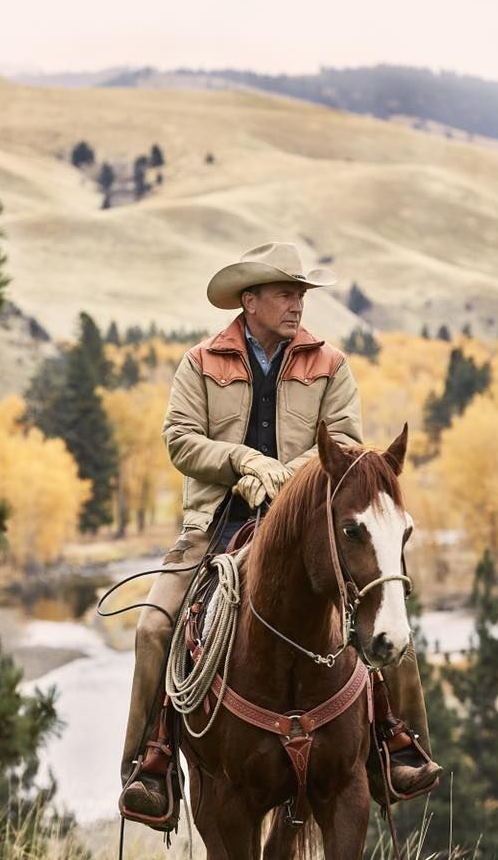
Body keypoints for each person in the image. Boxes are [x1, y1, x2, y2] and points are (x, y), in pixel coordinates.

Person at [120, 241, 441, 823]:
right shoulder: (200, 363)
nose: (298, 305)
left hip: (307, 529)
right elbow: (179, 439)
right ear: (250, 301)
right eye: (286, 294)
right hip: (215, 526)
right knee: (154, 626)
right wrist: (242, 462)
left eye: (301, 295)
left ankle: (400, 747)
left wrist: (283, 477)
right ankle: (151, 763)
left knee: (384, 613)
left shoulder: (330, 364)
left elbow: (345, 445)